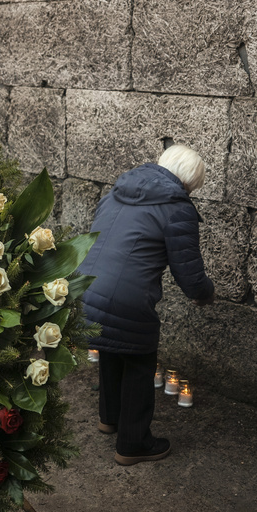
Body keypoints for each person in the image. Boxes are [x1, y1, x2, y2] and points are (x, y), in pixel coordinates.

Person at [78, 145, 215, 466]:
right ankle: (133, 443)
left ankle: (109, 418)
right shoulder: (177, 207)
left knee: (113, 345)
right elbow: (189, 272)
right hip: (127, 297)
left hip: (85, 287)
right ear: (188, 184)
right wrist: (205, 294)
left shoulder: (117, 190)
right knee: (139, 359)